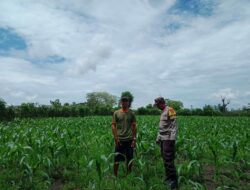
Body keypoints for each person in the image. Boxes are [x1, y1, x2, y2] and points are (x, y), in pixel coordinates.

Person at [154, 97, 178, 189]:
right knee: (164, 158)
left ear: (161, 103)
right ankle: (168, 177)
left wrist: (172, 139)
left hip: (168, 138)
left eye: (157, 105)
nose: (157, 107)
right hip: (163, 138)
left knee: (168, 159)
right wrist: (158, 137)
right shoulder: (163, 111)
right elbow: (162, 127)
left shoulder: (170, 110)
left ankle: (173, 181)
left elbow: (174, 125)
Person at [112, 96, 137, 177]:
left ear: (128, 103)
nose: (124, 103)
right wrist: (116, 138)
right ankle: (115, 175)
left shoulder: (132, 113)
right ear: (121, 102)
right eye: (123, 101)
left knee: (130, 158)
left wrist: (134, 139)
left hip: (129, 139)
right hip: (120, 140)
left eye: (126, 101)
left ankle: (128, 175)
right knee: (117, 159)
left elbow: (134, 126)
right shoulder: (116, 113)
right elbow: (113, 126)